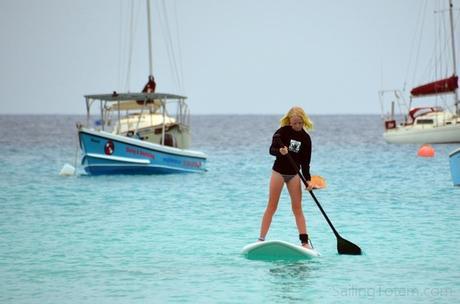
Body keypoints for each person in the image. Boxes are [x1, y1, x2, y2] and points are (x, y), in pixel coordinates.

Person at [258, 106, 314, 249]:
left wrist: (308, 180)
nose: (297, 126)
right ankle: (261, 239)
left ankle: (305, 242)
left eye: (299, 123)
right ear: (289, 121)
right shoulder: (281, 133)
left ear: (303, 121)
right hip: (279, 172)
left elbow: (306, 163)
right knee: (272, 206)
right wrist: (280, 151)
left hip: (294, 174)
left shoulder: (306, 139)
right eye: (294, 123)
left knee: (297, 208)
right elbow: (271, 150)